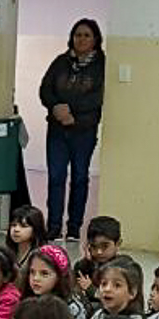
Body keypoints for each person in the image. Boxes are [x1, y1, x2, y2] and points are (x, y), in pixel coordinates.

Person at [38, 18, 106, 242]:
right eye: (78, 35)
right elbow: (45, 88)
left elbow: (98, 97)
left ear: (95, 39)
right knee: (56, 176)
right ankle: (54, 226)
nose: (82, 39)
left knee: (79, 177)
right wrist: (56, 108)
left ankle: (74, 227)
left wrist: (70, 112)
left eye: (87, 35)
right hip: (57, 130)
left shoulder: (102, 65)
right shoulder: (60, 61)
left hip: (84, 130)